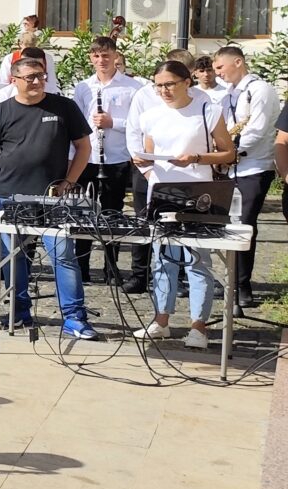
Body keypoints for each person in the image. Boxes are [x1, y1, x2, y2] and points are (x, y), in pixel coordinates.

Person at [0, 53, 98, 339]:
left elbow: (84, 147)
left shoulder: (64, 107)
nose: (37, 81)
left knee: (63, 256)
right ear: (14, 80)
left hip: (54, 198)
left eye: (41, 76)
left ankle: (74, 317)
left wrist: (70, 181)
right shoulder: (0, 111)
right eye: (30, 77)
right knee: (13, 258)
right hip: (9, 196)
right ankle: (19, 312)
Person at [130, 60, 235, 349]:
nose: (164, 91)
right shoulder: (151, 116)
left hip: (199, 192)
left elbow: (228, 153)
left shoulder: (207, 110)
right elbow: (150, 153)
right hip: (163, 192)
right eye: (158, 86)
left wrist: (197, 158)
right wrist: (142, 160)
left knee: (197, 260)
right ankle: (161, 320)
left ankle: (198, 326)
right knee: (162, 259)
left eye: (169, 84)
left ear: (186, 82)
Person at [67, 37, 150, 290]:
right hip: (88, 157)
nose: (101, 60)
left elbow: (140, 124)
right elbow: (76, 124)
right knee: (83, 213)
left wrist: (113, 123)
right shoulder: (83, 87)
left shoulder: (133, 87)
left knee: (112, 215)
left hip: (117, 158)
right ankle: (82, 267)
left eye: (105, 55)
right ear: (90, 58)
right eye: (96, 56)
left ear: (115, 56)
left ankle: (111, 267)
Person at [212, 44, 278, 307]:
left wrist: (230, 151)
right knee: (227, 225)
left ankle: (242, 284)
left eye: (220, 67)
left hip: (253, 166)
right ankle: (230, 280)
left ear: (238, 62)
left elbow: (257, 129)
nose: (218, 73)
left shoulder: (260, 90)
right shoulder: (229, 93)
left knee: (245, 224)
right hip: (231, 167)